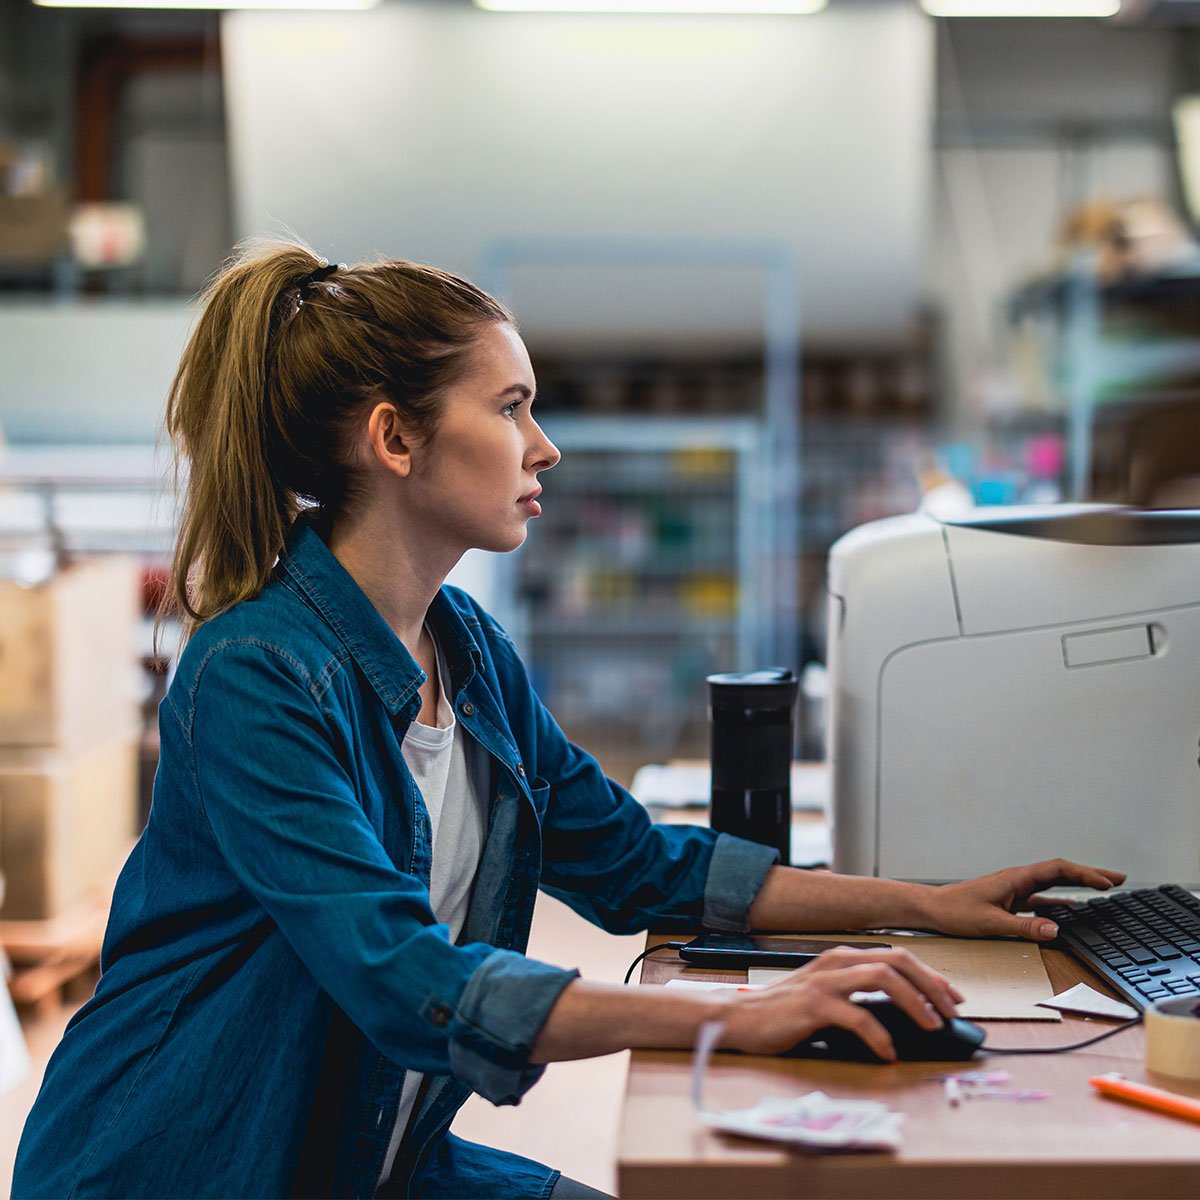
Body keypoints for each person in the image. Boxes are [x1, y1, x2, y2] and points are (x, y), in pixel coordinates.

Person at [13, 242, 1124, 1200]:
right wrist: (739, 1018)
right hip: (185, 1168)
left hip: (362, 1160)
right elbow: (405, 979)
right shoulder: (256, 676)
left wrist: (927, 905)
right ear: (395, 440)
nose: (543, 447)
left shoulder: (469, 656)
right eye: (509, 409)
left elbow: (640, 867)